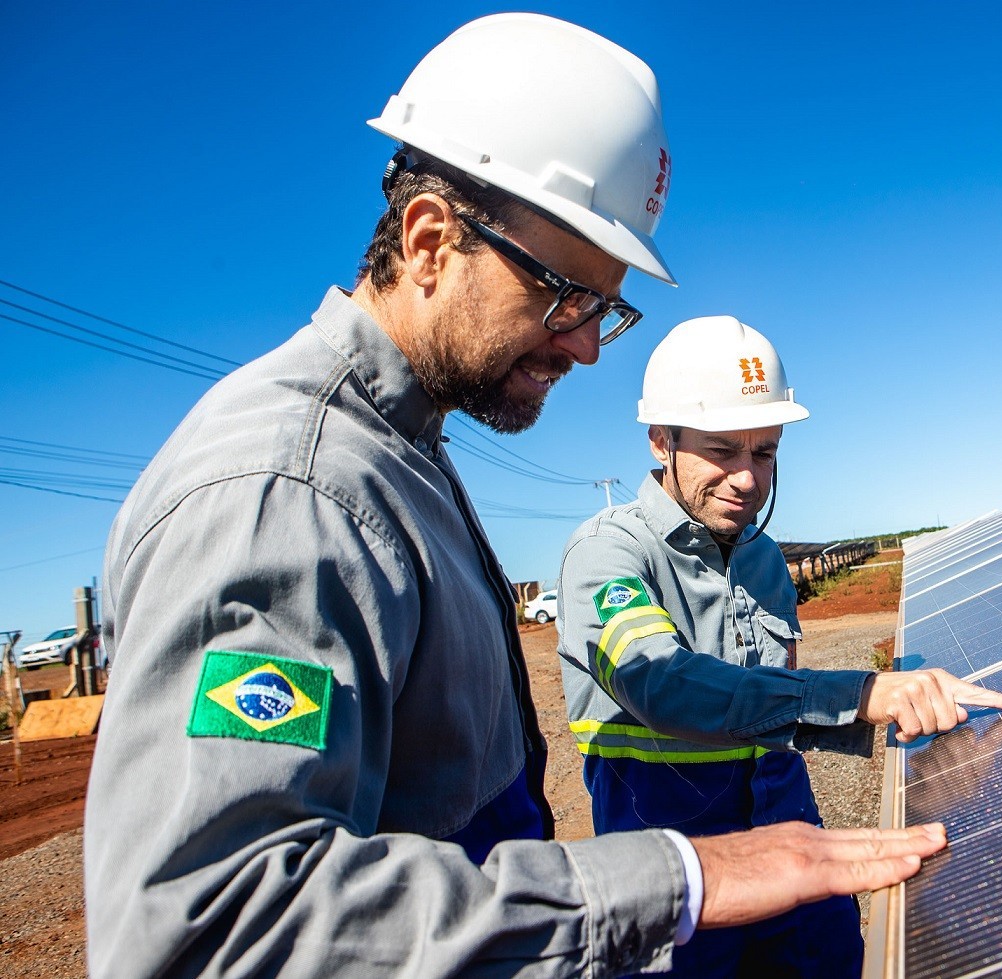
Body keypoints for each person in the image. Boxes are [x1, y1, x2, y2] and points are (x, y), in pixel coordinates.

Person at [84, 16, 952, 978]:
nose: (584, 345)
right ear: (428, 241)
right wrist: (677, 879)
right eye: (564, 294)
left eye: (602, 311)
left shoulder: (401, 456)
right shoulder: (286, 491)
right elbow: (213, 926)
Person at [556, 315, 1002, 977]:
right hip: (681, 874)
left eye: (764, 451)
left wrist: (926, 735)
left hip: (791, 834)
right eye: (722, 450)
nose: (747, 478)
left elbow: (777, 704)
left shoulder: (765, 559)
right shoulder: (607, 555)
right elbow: (663, 684)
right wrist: (857, 694)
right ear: (660, 438)